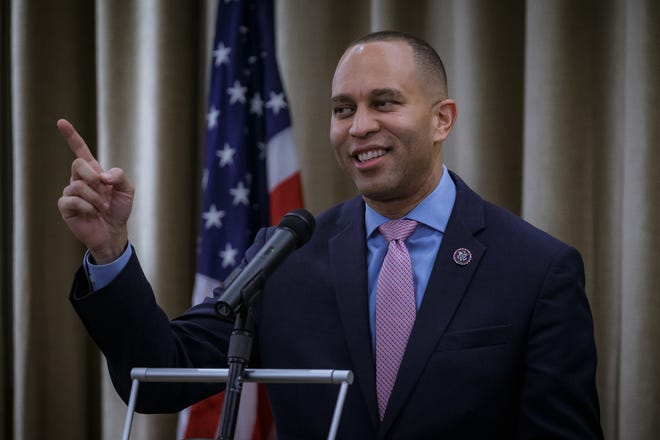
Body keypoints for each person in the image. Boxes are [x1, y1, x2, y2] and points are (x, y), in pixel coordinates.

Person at [58, 31, 603, 439]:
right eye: (343, 109)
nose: (359, 126)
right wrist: (108, 249)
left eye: (383, 103)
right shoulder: (285, 258)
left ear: (443, 119)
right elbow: (161, 377)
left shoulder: (537, 269)